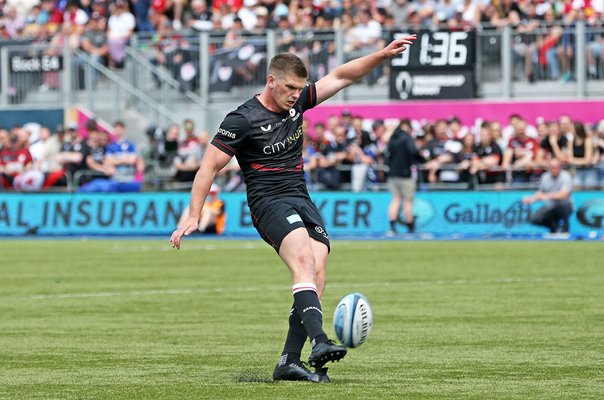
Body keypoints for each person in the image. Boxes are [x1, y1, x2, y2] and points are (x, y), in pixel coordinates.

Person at [170, 34, 416, 383]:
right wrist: (194, 215)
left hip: (301, 197)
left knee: (318, 271)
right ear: (271, 81)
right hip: (267, 202)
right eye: (289, 88)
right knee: (302, 260)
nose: (295, 95)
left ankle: (289, 361)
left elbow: (343, 76)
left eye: (300, 89)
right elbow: (208, 168)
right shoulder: (241, 119)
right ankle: (319, 342)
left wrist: (383, 54)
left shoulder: (296, 103)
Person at [385, 119, 421, 235]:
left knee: (395, 199)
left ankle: (392, 227)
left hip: (392, 173)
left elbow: (386, 153)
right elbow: (414, 151)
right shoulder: (407, 138)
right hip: (405, 174)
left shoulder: (392, 138)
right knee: (408, 201)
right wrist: (420, 160)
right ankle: (410, 227)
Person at [522, 159, 573, 234]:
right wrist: (531, 199)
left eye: (555, 167)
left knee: (563, 206)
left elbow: (564, 195)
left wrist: (546, 196)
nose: (553, 170)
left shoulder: (566, 176)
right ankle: (554, 228)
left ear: (560, 168)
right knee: (534, 219)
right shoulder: (545, 177)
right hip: (549, 207)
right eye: (551, 167)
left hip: (564, 206)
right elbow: (540, 193)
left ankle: (565, 228)